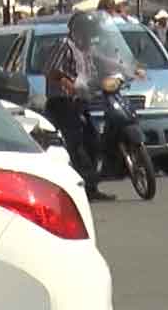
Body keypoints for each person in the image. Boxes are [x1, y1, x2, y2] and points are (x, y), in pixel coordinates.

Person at [43, 11, 115, 202]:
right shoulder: (64, 45)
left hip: (80, 102)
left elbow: (103, 63)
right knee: (76, 144)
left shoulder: (86, 49)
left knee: (93, 141)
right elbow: (52, 72)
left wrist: (127, 69)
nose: (90, 35)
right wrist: (70, 85)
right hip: (63, 103)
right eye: (87, 31)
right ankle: (78, 189)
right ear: (77, 30)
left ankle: (91, 187)